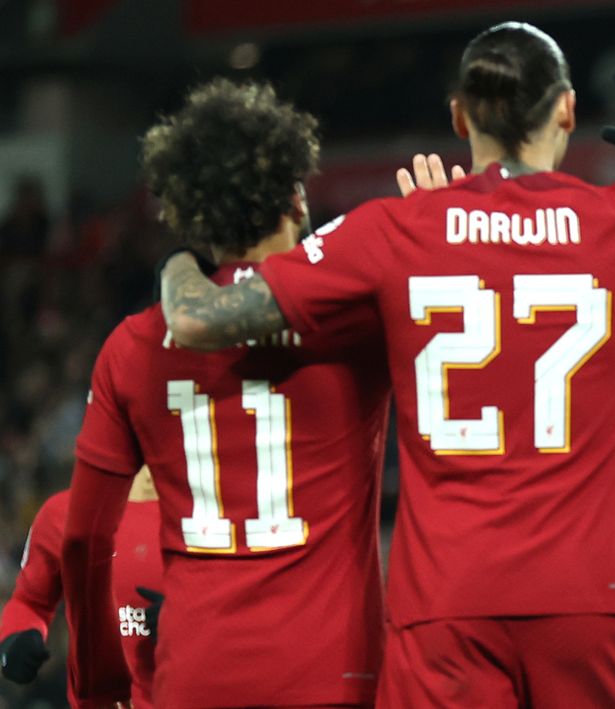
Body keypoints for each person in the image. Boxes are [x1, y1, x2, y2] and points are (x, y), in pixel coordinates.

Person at [157, 22, 615, 707]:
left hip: (446, 600)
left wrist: (179, 255)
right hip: (589, 593)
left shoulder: (394, 228)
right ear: (567, 110)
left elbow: (200, 319)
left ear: (459, 116)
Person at [61, 79, 392, 708]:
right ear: (296, 197)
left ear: (193, 215)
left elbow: (84, 540)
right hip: (332, 674)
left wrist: (98, 680)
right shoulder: (355, 321)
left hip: (195, 675)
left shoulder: (132, 346)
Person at [0, 468, 161, 709]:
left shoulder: (207, 521)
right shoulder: (62, 514)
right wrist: (15, 639)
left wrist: (190, 621)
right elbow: (30, 601)